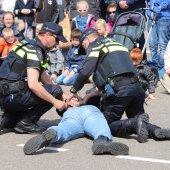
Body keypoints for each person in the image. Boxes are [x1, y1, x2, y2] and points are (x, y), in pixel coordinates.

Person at [68, 28, 149, 143]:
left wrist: (73, 90)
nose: (85, 50)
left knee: (102, 125)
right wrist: (87, 96)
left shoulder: (95, 45)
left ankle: (134, 124)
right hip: (137, 88)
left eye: (83, 46)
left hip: (119, 91)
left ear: (86, 40)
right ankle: (158, 131)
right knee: (141, 121)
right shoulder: (117, 44)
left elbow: (86, 71)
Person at [0, 22, 68, 134]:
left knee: (54, 89)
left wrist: (64, 96)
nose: (57, 43)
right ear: (47, 35)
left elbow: (42, 76)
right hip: (13, 96)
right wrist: (55, 101)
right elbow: (33, 84)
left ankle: (12, 116)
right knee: (55, 91)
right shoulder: (34, 50)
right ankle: (26, 123)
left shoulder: (27, 44)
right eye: (56, 39)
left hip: (5, 95)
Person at [23, 105, 129, 156]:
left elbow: (60, 105)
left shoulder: (68, 106)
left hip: (71, 115)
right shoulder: (86, 99)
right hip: (90, 110)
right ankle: (102, 140)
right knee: (99, 127)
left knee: (63, 129)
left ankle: (52, 133)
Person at [146, 0, 170, 79]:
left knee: (163, 45)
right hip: (152, 17)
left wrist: (160, 7)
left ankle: (161, 68)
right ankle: (154, 67)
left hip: (164, 17)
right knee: (152, 44)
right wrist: (149, 12)